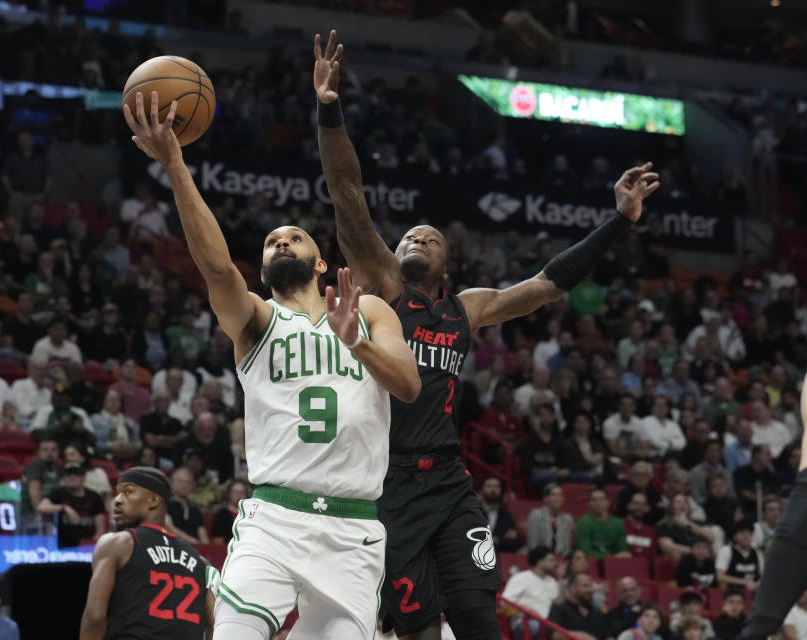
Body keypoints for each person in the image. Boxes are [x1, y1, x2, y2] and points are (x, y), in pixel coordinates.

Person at [315, 27, 659, 640]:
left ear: (447, 262)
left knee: (479, 615)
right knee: (416, 629)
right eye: (408, 236)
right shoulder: (386, 289)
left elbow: (549, 284)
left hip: (449, 478)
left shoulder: (467, 308)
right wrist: (329, 109)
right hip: (386, 480)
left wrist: (617, 222)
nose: (415, 237)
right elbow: (347, 195)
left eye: (430, 236)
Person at [125, 82, 420, 640]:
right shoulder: (256, 320)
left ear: (321, 260)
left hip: (353, 527)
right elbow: (215, 270)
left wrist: (357, 342)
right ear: (261, 271)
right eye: (271, 243)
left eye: (295, 237)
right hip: (275, 516)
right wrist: (175, 165)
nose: (282, 243)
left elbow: (408, 387)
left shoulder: (372, 310)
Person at [79, 467, 215, 640]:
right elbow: (216, 627)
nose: (117, 500)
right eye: (117, 493)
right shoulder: (200, 562)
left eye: (128, 492)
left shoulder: (117, 544)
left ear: (153, 500)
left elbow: (95, 617)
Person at [38, 462, 106, 548]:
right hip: (62, 546)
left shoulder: (94, 497)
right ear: (64, 478)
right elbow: (41, 507)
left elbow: (100, 531)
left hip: (86, 546)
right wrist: (64, 507)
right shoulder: (58, 493)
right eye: (68, 474)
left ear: (83, 477)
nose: (72, 477)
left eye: (77, 473)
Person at [500, 546, 558, 639]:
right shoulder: (520, 578)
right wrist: (527, 611)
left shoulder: (552, 582)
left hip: (550, 623)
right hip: (525, 623)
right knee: (538, 627)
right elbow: (504, 603)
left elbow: (557, 604)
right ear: (540, 561)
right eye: (550, 560)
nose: (555, 563)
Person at [547, 572, 607, 640]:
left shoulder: (597, 612)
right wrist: (581, 637)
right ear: (572, 588)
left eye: (591, 586)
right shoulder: (559, 608)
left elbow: (607, 635)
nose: (590, 590)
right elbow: (553, 634)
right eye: (585, 586)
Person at [575, 487, 630, 559]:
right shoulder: (583, 522)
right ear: (589, 504)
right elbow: (585, 551)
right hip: (591, 563)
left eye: (602, 499)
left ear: (608, 502)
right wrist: (609, 558)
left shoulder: (618, 523)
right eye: (594, 500)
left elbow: (622, 548)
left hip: (614, 563)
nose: (598, 503)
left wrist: (622, 555)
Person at [21, 435, 61, 530]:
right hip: (30, 513)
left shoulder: (58, 467)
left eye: (53, 450)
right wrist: (39, 514)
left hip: (50, 512)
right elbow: (34, 491)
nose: (49, 453)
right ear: (38, 452)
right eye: (45, 450)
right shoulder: (35, 465)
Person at [526, 483, 575, 556]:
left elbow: (567, 548)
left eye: (560, 495)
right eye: (554, 495)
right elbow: (533, 544)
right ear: (546, 499)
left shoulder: (567, 519)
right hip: (539, 558)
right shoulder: (535, 515)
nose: (557, 498)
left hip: (561, 559)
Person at [166, 466, 209, 545]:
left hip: (194, 551)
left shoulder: (195, 509)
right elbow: (169, 528)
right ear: (171, 483)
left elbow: (203, 535)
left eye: (188, 482)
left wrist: (205, 547)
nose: (184, 485)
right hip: (172, 546)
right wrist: (195, 542)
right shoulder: (165, 504)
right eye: (180, 481)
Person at [716, 519, 763, 590]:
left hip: (753, 593)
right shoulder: (726, 550)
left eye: (749, 533)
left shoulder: (757, 553)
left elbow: (763, 575)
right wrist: (744, 582)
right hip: (732, 593)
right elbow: (720, 576)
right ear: (734, 536)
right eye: (742, 533)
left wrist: (757, 584)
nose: (746, 536)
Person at [479, 475, 519, 552]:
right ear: (481, 490)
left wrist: (488, 542)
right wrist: (499, 540)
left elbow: (513, 543)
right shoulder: (474, 513)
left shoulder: (507, 516)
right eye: (489, 486)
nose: (493, 490)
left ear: (501, 491)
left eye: (497, 487)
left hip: (499, 558)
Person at [623, 492, 658, 561]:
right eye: (636, 503)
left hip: (644, 569)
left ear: (647, 508)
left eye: (643, 504)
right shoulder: (620, 525)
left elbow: (653, 557)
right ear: (629, 505)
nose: (639, 507)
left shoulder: (650, 532)